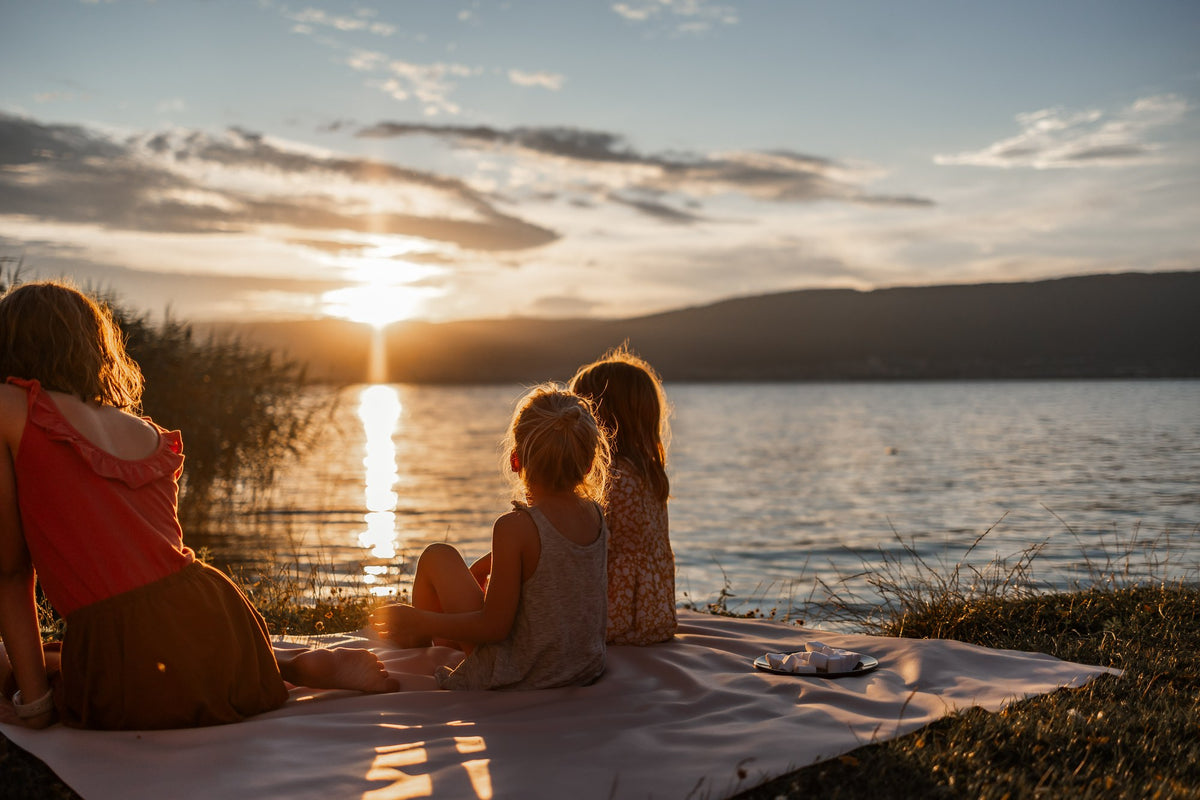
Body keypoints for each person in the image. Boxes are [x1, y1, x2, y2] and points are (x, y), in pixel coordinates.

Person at [0, 281, 396, 731]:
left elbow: (11, 573)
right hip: (221, 627)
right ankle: (290, 665)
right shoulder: (143, 429)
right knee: (101, 645)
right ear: (94, 347)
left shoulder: (8, 406)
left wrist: (33, 707)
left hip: (136, 664)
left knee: (20, 665)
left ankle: (290, 664)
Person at [370, 384, 611, 691]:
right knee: (463, 574)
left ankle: (416, 643)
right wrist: (486, 568)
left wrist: (419, 619)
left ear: (515, 461)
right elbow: (554, 563)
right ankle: (440, 638)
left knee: (438, 556)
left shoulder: (514, 527)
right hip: (580, 666)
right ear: (589, 465)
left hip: (522, 672)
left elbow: (494, 627)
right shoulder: (595, 516)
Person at [570, 345, 677, 645]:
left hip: (619, 617)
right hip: (657, 613)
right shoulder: (647, 474)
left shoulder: (611, 478)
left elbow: (588, 552)